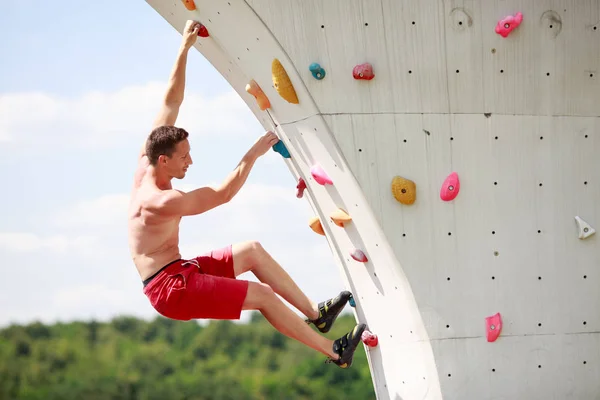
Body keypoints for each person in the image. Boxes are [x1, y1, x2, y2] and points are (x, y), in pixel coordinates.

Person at [128, 20, 366, 368]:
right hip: (170, 289)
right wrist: (253, 153)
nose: (190, 161)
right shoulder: (160, 201)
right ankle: (333, 351)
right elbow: (222, 194)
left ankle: (316, 313)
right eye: (184, 158)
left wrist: (184, 49)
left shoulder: (149, 155)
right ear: (164, 160)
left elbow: (171, 98)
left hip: (179, 269)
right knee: (264, 297)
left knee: (252, 252)